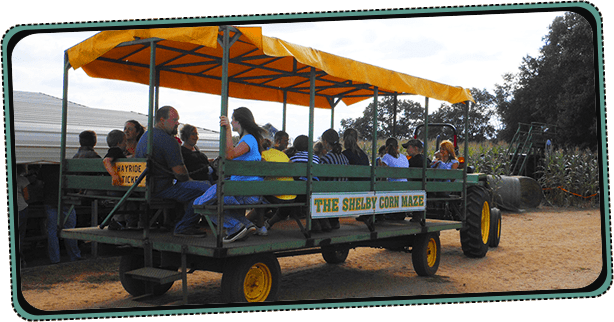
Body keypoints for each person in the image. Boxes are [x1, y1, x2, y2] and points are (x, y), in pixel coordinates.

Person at [135, 106, 211, 238]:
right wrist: (192, 181)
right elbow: (181, 174)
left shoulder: (145, 137)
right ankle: (184, 226)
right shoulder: (168, 141)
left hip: (143, 187)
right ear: (162, 120)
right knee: (208, 189)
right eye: (175, 120)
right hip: (161, 188)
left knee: (197, 188)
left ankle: (179, 221)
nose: (177, 123)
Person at [193, 107, 264, 243]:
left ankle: (236, 227)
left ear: (239, 121)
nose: (231, 122)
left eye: (233, 120)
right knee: (215, 201)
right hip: (247, 190)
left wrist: (227, 131)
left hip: (242, 190)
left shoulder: (248, 139)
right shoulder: (250, 140)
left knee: (199, 203)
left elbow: (229, 155)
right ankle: (246, 225)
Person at [39, 164, 83, 264]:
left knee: (52, 230)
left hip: (49, 200)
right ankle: (74, 256)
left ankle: (55, 259)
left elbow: (38, 184)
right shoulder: (67, 166)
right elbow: (75, 183)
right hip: (66, 200)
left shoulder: (45, 167)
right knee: (70, 229)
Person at [319, 129, 350, 230]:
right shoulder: (345, 158)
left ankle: (322, 221)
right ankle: (333, 220)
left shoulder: (326, 159)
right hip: (342, 195)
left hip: (329, 196)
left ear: (326, 142)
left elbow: (320, 179)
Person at [16, 164, 30, 267]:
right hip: (21, 208)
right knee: (20, 234)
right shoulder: (22, 180)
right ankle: (21, 260)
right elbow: (27, 196)